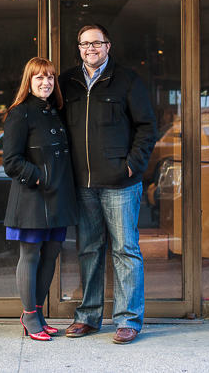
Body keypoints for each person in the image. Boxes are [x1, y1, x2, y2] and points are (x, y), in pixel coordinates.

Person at [60, 24, 157, 345]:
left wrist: (132, 166)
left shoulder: (127, 79)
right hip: (82, 184)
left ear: (108, 46)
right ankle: (88, 316)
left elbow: (146, 127)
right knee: (88, 250)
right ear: (79, 48)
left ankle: (128, 320)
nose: (91, 48)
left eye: (97, 43)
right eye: (85, 44)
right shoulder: (68, 82)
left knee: (125, 250)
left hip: (120, 183)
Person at [3, 57, 78, 341]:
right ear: (29, 82)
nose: (46, 83)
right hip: (33, 197)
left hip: (58, 197)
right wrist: (39, 177)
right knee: (31, 255)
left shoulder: (55, 111)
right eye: (39, 78)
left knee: (51, 255)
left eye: (50, 78)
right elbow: (11, 160)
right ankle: (29, 316)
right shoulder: (19, 113)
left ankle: (39, 311)